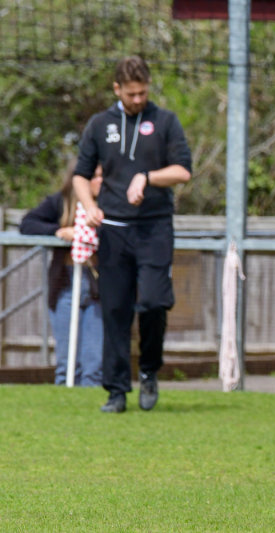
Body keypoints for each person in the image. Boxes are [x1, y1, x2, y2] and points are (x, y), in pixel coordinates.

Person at [72, 55, 192, 413]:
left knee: (154, 302)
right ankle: (116, 391)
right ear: (117, 89)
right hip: (113, 230)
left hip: (154, 228)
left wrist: (147, 177)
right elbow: (80, 175)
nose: (138, 99)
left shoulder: (166, 121)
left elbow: (183, 171)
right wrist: (89, 206)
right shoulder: (99, 124)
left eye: (142, 93)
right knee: (114, 308)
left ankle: (150, 370)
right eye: (131, 94)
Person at [20, 163, 104, 387]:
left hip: (98, 288)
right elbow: (28, 224)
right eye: (94, 176)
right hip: (65, 284)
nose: (100, 181)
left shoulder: (112, 205)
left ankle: (91, 404)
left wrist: (92, 234)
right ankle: (64, 398)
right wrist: (59, 232)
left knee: (94, 364)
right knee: (67, 364)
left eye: (103, 176)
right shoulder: (61, 201)